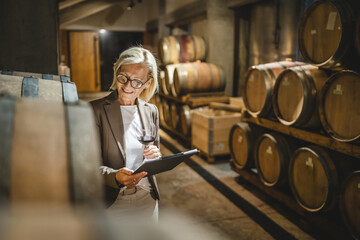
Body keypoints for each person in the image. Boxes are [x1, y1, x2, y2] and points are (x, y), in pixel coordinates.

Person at [90, 46, 161, 220]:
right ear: (116, 73)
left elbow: (155, 154)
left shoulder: (151, 110)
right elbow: (86, 165)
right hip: (113, 202)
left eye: (137, 81)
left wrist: (156, 155)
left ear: (148, 84)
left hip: (147, 198)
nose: (128, 86)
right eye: (124, 78)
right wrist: (115, 176)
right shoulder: (95, 110)